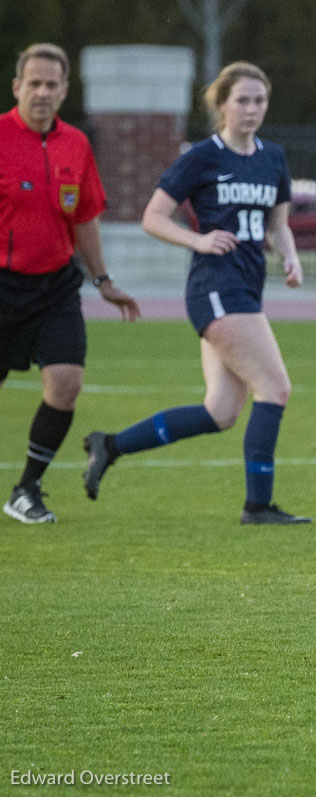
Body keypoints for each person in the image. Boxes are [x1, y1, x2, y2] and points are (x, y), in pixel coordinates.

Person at [80, 61, 310, 525]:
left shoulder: (273, 158)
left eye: (259, 100)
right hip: (215, 289)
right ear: (221, 105)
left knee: (220, 411)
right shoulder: (203, 157)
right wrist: (199, 240)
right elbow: (153, 216)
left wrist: (290, 256)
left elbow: (278, 224)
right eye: (241, 100)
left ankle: (112, 444)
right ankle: (258, 506)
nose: (251, 109)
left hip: (246, 287)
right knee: (275, 387)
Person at [1, 43, 141, 524]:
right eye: (33, 83)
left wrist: (102, 279)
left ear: (64, 91)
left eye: (51, 84)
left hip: (56, 288)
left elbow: (84, 217)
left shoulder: (76, 145)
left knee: (65, 383)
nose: (42, 92)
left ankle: (26, 488)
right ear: (17, 86)